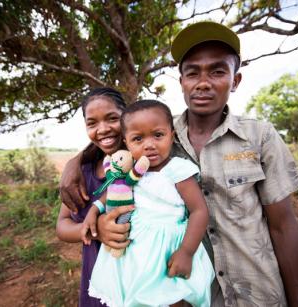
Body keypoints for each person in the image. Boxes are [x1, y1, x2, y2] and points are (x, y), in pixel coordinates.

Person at [60, 21, 298, 307]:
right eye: (192, 72)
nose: (203, 82)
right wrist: (75, 162)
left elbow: (284, 226)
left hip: (257, 292)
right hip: (190, 292)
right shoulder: (158, 135)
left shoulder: (259, 136)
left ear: (236, 80)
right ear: (181, 82)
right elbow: (115, 141)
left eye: (218, 71)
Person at [84, 100, 214, 307]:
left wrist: (186, 251)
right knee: (136, 296)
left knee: (171, 297)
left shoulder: (177, 170)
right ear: (126, 143)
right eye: (138, 138)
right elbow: (113, 192)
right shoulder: (131, 170)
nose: (149, 144)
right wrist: (95, 209)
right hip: (136, 248)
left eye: (158, 135)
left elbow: (199, 211)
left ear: (172, 135)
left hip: (168, 245)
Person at [56, 87, 128, 307]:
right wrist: (95, 231)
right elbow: (62, 225)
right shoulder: (83, 173)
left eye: (112, 118)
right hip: (97, 279)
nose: (103, 129)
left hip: (138, 280)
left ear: (127, 117)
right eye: (92, 123)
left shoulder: (144, 164)